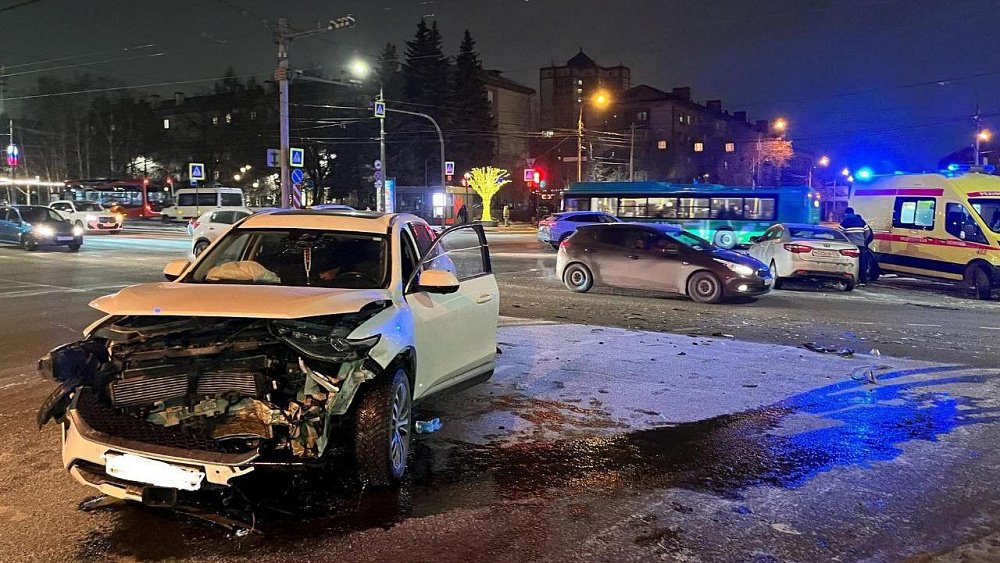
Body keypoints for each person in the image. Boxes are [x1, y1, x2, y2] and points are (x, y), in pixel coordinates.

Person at [840, 207, 877, 284]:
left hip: (851, 246)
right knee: (862, 262)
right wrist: (863, 240)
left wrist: (846, 242)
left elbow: (841, 234)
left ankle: (852, 279)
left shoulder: (845, 222)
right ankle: (862, 279)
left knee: (851, 262)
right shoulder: (861, 221)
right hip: (861, 245)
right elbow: (868, 233)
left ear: (846, 214)